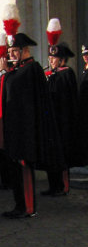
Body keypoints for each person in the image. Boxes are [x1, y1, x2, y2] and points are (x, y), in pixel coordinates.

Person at [0, 33, 61, 218]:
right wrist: (3, 75)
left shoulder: (32, 69)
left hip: (26, 131)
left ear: (25, 50)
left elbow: (13, 87)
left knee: (24, 170)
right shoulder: (17, 70)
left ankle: (28, 207)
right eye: (10, 51)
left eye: (15, 50)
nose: (11, 54)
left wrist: (2, 74)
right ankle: (19, 204)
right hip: (16, 130)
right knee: (15, 171)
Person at [43, 42, 82, 195]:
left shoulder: (67, 74)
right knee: (51, 157)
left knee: (62, 156)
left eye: (54, 58)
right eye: (50, 57)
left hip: (62, 121)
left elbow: (68, 102)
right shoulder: (51, 74)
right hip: (51, 121)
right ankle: (53, 185)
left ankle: (63, 186)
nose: (51, 60)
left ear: (61, 59)